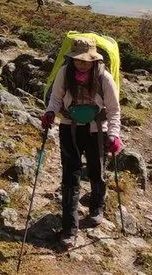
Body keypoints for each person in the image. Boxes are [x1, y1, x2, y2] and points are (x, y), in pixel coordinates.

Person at [40, 38, 122, 250]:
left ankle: (97, 207)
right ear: (72, 58)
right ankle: (69, 229)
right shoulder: (64, 72)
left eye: (86, 60)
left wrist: (114, 135)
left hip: (96, 131)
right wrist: (50, 112)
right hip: (69, 128)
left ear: (94, 59)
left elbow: (113, 109)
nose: (82, 63)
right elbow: (56, 99)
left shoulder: (103, 77)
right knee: (70, 175)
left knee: (96, 170)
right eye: (78, 59)